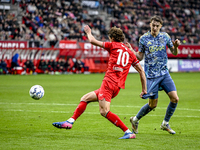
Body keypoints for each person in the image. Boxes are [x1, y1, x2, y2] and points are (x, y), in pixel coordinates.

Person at [52, 25, 147, 139]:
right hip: (117, 87)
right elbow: (142, 72)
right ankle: (70, 121)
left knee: (104, 111)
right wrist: (144, 89)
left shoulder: (112, 45)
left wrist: (88, 32)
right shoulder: (130, 53)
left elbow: (92, 40)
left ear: (111, 38)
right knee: (85, 98)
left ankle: (127, 132)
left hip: (108, 83)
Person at [127, 15, 181, 135]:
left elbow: (174, 52)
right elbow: (140, 57)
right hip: (151, 76)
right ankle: (135, 120)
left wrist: (175, 47)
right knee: (152, 105)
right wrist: (132, 51)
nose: (155, 27)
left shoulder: (165, 36)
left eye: (157, 26)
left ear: (160, 26)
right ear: (150, 25)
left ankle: (165, 123)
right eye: (153, 25)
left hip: (164, 73)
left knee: (175, 98)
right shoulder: (144, 39)